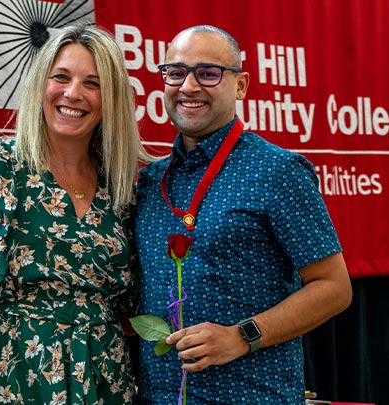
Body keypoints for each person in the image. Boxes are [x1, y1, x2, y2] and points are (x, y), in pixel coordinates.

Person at [134, 25, 353, 404]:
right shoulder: (150, 182)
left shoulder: (277, 171)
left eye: (208, 73)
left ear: (241, 85)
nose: (188, 86)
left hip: (253, 395)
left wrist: (242, 336)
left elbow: (334, 288)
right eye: (175, 72)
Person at [0, 24, 150, 405]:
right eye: (61, 77)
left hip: (107, 384)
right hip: (13, 380)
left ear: (112, 98)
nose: (73, 94)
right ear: (40, 84)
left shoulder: (121, 188)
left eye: (92, 84)